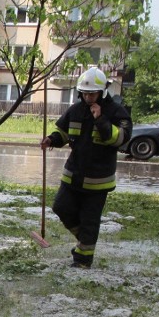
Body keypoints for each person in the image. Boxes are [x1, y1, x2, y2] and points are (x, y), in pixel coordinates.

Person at [40, 67, 131, 269]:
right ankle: (84, 238)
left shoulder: (116, 112)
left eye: (92, 93)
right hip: (73, 175)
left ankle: (82, 260)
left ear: (102, 91)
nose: (88, 97)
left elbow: (120, 139)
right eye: (85, 93)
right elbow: (63, 133)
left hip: (98, 181)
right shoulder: (75, 110)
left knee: (89, 220)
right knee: (61, 207)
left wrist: (101, 120)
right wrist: (51, 140)